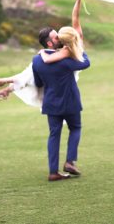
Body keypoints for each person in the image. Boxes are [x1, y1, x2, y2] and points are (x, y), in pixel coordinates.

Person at [0, 0, 84, 106]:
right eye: (57, 36)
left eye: (60, 37)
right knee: (30, 72)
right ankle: (6, 89)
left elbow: (47, 59)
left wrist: (42, 53)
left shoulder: (67, 51)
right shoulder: (75, 41)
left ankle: (4, 83)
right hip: (51, 81)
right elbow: (75, 17)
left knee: (31, 72)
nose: (59, 38)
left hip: (64, 80)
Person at [32, 25, 90, 181]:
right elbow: (85, 63)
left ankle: (53, 172)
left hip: (51, 103)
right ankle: (70, 162)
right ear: (50, 43)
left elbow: (38, 83)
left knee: (54, 135)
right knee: (76, 128)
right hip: (70, 101)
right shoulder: (66, 59)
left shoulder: (37, 60)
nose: (59, 37)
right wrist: (75, 44)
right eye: (56, 36)